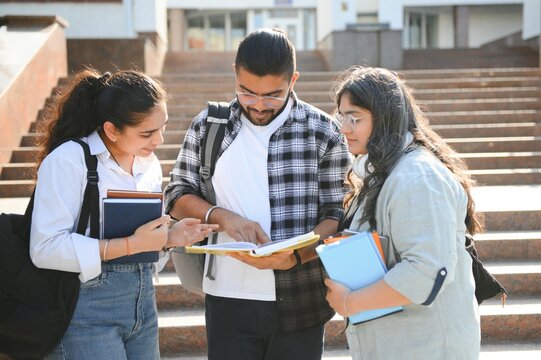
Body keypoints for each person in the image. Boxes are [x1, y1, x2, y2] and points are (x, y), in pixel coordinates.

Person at [164, 28, 350, 360]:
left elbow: (336, 213)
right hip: (227, 297)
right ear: (235, 74)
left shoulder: (323, 131)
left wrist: (295, 256)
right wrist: (224, 217)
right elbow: (176, 193)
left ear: (293, 80)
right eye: (247, 92)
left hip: (302, 295)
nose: (259, 106)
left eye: (272, 95)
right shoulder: (209, 125)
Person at [30, 69, 218, 360]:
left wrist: (168, 239)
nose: (158, 140)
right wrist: (131, 244)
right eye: (147, 133)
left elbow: (145, 247)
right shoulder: (69, 160)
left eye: (162, 128)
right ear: (111, 130)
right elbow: (44, 248)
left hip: (143, 305)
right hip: (85, 313)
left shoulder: (149, 164)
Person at [323, 66, 481, 359]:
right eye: (341, 116)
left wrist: (350, 302)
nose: (344, 128)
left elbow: (424, 272)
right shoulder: (385, 170)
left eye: (354, 118)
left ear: (384, 118)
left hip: (426, 348)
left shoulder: (417, 177)